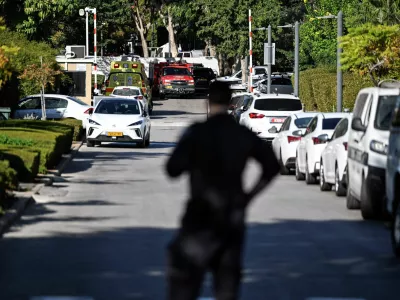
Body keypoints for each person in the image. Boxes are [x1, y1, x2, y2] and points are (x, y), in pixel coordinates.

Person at [165, 80, 280, 300]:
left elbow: (172, 170)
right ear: (230, 103)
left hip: (200, 218)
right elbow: (271, 166)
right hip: (232, 218)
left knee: (184, 285)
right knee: (227, 290)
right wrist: (249, 196)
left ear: (208, 103)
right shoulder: (241, 133)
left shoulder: (197, 133)